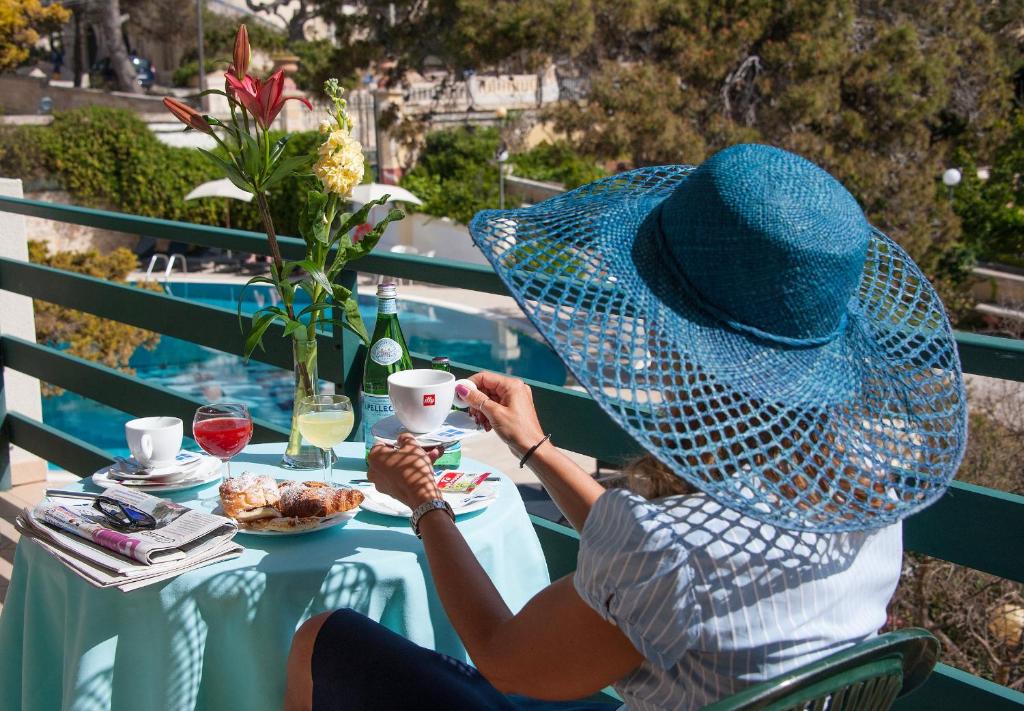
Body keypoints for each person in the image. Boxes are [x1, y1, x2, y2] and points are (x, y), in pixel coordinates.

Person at [285, 144, 967, 710]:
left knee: (324, 638)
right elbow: (672, 560)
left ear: (677, 339)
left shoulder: (668, 552)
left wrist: (425, 502)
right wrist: (536, 446)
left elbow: (503, 659)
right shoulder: (870, 504)